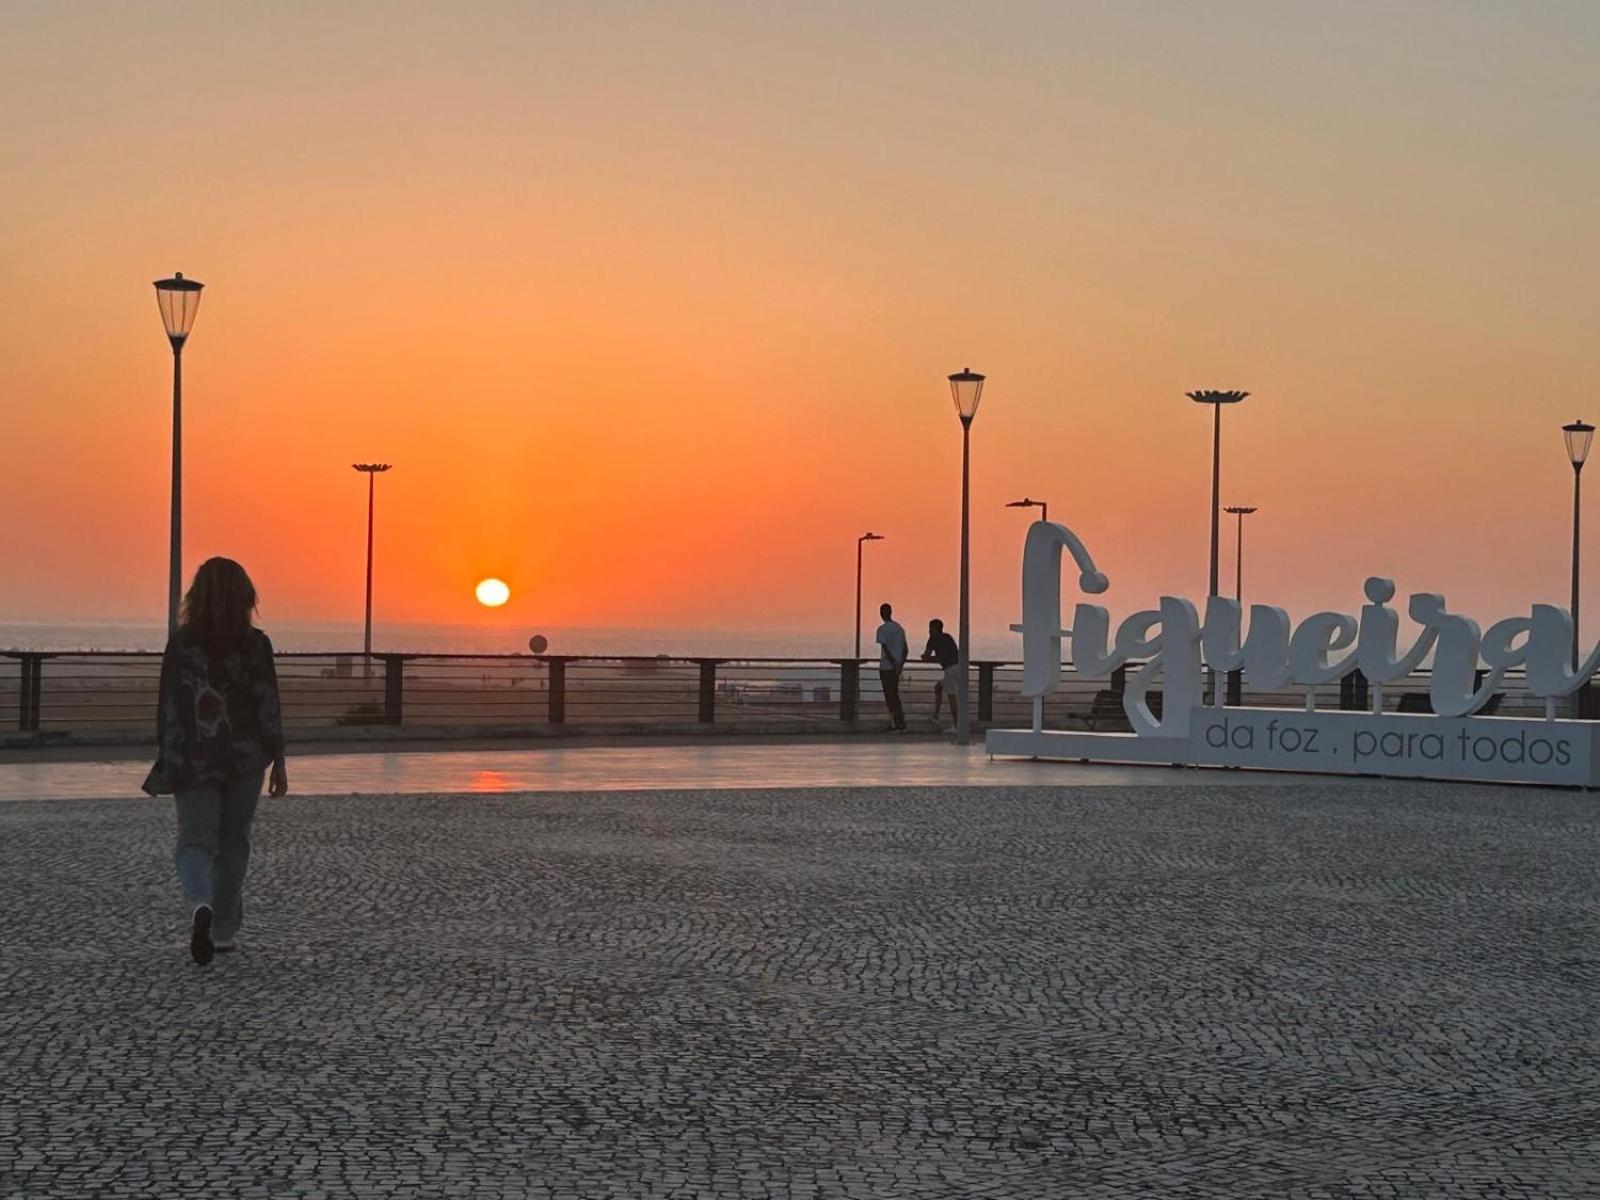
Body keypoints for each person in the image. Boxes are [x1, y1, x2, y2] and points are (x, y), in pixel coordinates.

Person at [142, 557, 288, 965]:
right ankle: (223, 932)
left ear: (197, 596)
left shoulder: (182, 644)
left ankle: (197, 905)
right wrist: (278, 758)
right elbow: (267, 704)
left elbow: (168, 706)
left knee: (194, 841)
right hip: (244, 757)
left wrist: (166, 757)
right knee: (233, 841)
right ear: (245, 595)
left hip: (193, 756)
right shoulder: (255, 644)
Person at [874, 602, 908, 732]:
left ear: (882, 614)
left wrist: (893, 663)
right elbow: (905, 649)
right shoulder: (899, 628)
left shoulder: (882, 629)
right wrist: (900, 664)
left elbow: (885, 648)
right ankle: (900, 722)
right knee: (895, 695)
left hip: (887, 667)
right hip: (896, 668)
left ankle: (895, 723)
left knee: (890, 696)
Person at [920, 618, 960, 728]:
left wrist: (927, 658)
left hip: (950, 669)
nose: (929, 631)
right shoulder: (948, 637)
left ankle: (957, 726)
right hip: (960, 667)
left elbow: (929, 656)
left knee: (952, 697)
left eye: (930, 629)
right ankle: (936, 715)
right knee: (939, 687)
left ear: (934, 629)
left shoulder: (933, 639)